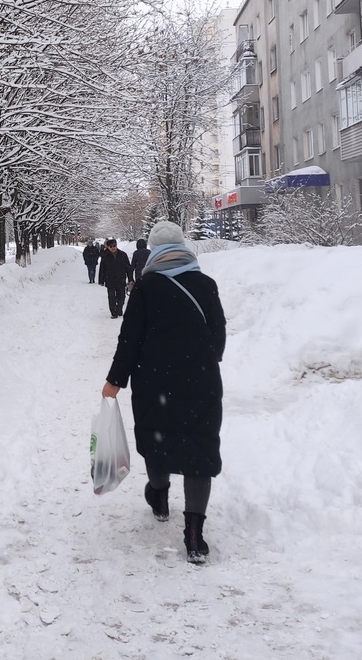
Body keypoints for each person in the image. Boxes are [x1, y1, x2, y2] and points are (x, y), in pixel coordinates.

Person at [101, 220, 226, 564]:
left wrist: (115, 380)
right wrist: (197, 360)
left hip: (153, 382)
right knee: (199, 449)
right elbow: (218, 340)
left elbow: (129, 340)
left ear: (155, 251)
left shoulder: (145, 288)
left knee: (158, 441)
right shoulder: (206, 284)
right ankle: (195, 535)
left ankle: (158, 497)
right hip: (200, 382)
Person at [96, 237, 134, 318]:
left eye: (114, 246)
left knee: (121, 297)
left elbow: (128, 268)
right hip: (110, 280)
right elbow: (102, 269)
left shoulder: (123, 255)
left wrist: (130, 279)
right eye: (111, 246)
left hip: (121, 279)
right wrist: (101, 281)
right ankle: (113, 312)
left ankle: (119, 309)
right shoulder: (105, 256)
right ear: (108, 247)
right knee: (111, 297)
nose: (113, 248)